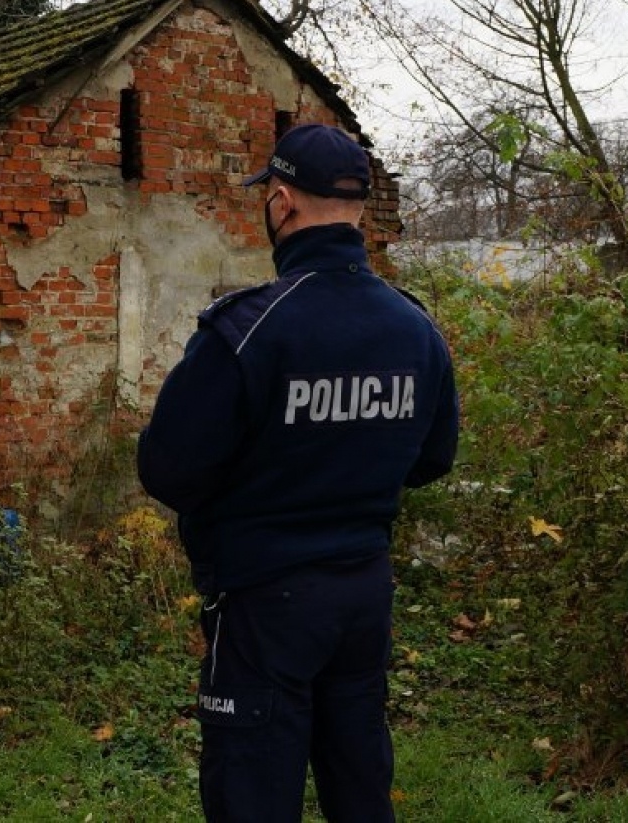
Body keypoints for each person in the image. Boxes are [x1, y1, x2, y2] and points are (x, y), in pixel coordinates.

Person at [137, 122, 460, 822]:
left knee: (252, 794)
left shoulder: (248, 328)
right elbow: (433, 460)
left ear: (281, 203)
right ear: (358, 211)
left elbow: (167, 469)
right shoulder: (416, 328)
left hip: (262, 602)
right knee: (360, 787)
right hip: (364, 596)